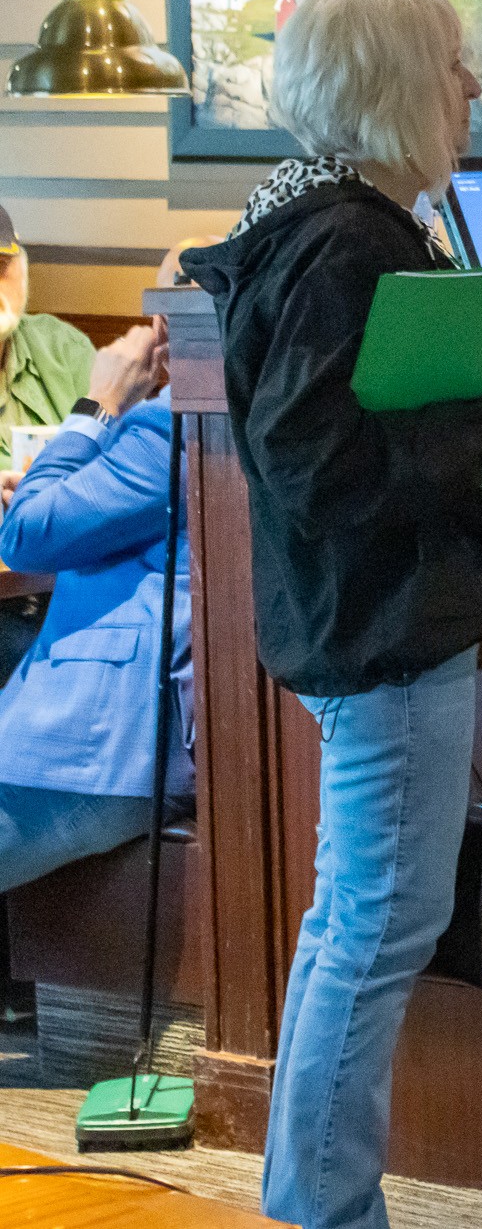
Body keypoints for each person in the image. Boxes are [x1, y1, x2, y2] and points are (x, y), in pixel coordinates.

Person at [179, 0, 482, 1229]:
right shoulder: (349, 241)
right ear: (394, 81)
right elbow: (313, 464)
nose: (474, 87)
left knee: (361, 920)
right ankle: (324, 1211)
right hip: (383, 634)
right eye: (454, 62)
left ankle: (317, 1203)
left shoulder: (336, 222)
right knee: (375, 930)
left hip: (372, 627)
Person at [0, 317, 190, 894]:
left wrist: (101, 402)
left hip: (96, 743)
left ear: (163, 330)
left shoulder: (168, 424)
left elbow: (28, 534)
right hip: (150, 739)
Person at [0, 210, 96, 682]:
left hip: (66, 592)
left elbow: (115, 467)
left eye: (0, 266)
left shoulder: (65, 350)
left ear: (22, 268)